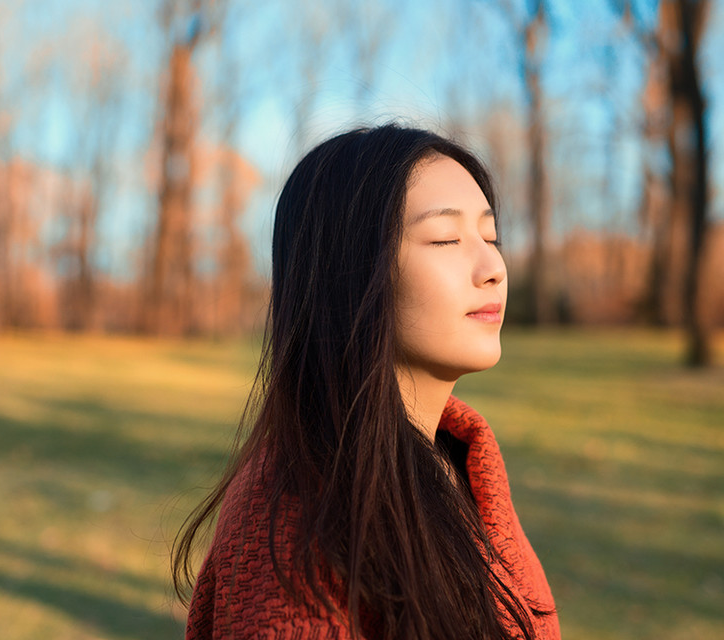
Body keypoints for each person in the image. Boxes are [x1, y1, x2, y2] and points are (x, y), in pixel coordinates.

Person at [172, 123, 561, 639]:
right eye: (446, 238)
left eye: (491, 237)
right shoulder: (299, 520)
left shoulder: (464, 468)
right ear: (350, 272)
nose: (493, 267)